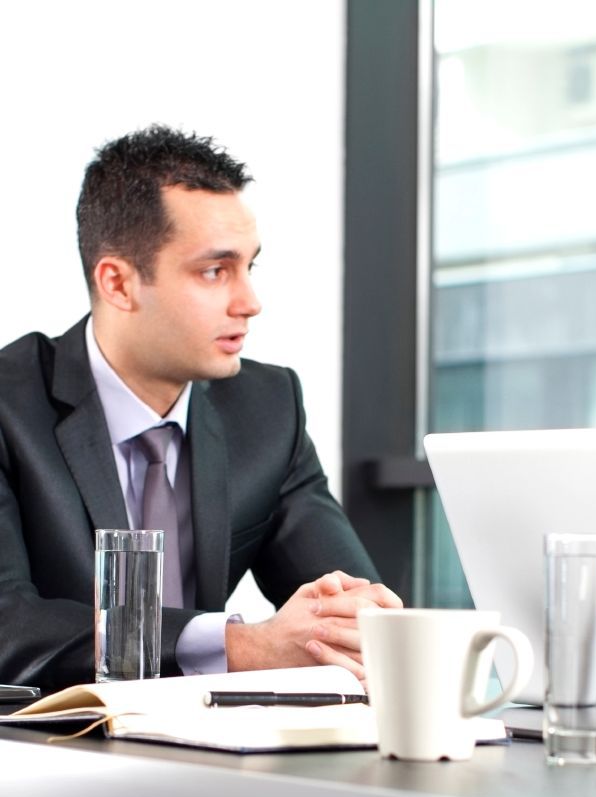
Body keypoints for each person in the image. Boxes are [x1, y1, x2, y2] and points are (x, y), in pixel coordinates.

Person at [0, 125, 401, 693]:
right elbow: (6, 626)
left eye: (249, 267)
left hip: (208, 756)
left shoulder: (268, 408)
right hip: (40, 759)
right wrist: (242, 644)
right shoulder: (9, 404)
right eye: (215, 271)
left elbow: (350, 613)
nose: (250, 302)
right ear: (118, 282)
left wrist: (356, 624)